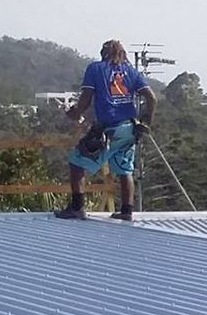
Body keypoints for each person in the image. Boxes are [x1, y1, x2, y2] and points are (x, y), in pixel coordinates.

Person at [55, 40, 156, 221]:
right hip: (129, 127)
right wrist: (146, 123)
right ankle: (126, 211)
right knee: (125, 169)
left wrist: (75, 113)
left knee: (77, 163)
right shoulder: (131, 72)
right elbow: (151, 97)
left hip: (110, 129)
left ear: (104, 52)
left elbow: (86, 99)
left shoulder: (95, 68)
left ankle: (77, 208)